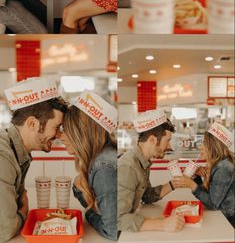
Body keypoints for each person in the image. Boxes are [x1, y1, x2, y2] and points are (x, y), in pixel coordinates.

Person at [0, 77, 67, 242]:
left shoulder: (17, 151)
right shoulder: (3, 158)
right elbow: (5, 229)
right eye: (56, 127)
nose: (59, 135)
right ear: (32, 123)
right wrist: (23, 212)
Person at [59, 91, 117, 240]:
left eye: (65, 129)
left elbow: (112, 231)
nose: (60, 136)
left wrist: (88, 213)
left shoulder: (103, 167)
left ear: (81, 132)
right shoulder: (102, 158)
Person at [118, 110, 185, 233]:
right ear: (153, 140)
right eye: (167, 140)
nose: (169, 146)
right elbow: (118, 219)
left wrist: (174, 184)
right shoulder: (128, 167)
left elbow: (147, 196)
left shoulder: (143, 161)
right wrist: (162, 224)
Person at [173, 122, 235, 226]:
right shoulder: (220, 165)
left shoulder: (223, 168)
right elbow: (211, 196)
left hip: (227, 223)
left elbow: (212, 204)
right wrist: (197, 179)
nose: (200, 147)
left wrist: (191, 185)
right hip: (221, 217)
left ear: (213, 146)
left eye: (204, 143)